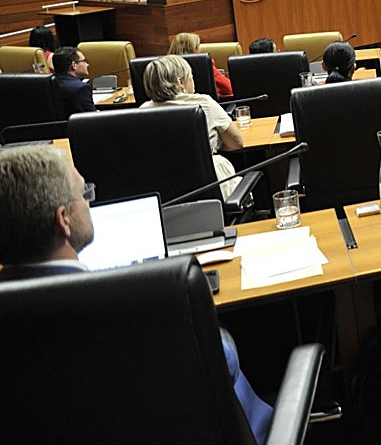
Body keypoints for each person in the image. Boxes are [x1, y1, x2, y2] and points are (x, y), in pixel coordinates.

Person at [0, 145, 275, 442]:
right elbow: (221, 365)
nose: (89, 203)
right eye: (84, 195)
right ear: (63, 220)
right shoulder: (147, 307)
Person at [139, 55, 243, 199]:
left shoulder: (142, 110)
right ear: (181, 82)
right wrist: (211, 146)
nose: (193, 81)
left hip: (164, 194)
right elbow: (236, 142)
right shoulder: (203, 103)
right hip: (207, 189)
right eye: (191, 77)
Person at [169, 31, 233, 98]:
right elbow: (229, 88)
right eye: (199, 45)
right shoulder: (204, 65)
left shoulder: (165, 66)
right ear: (195, 48)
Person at [51, 46, 95, 117]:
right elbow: (92, 118)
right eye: (84, 61)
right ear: (74, 65)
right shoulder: (81, 88)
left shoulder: (46, 85)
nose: (87, 64)